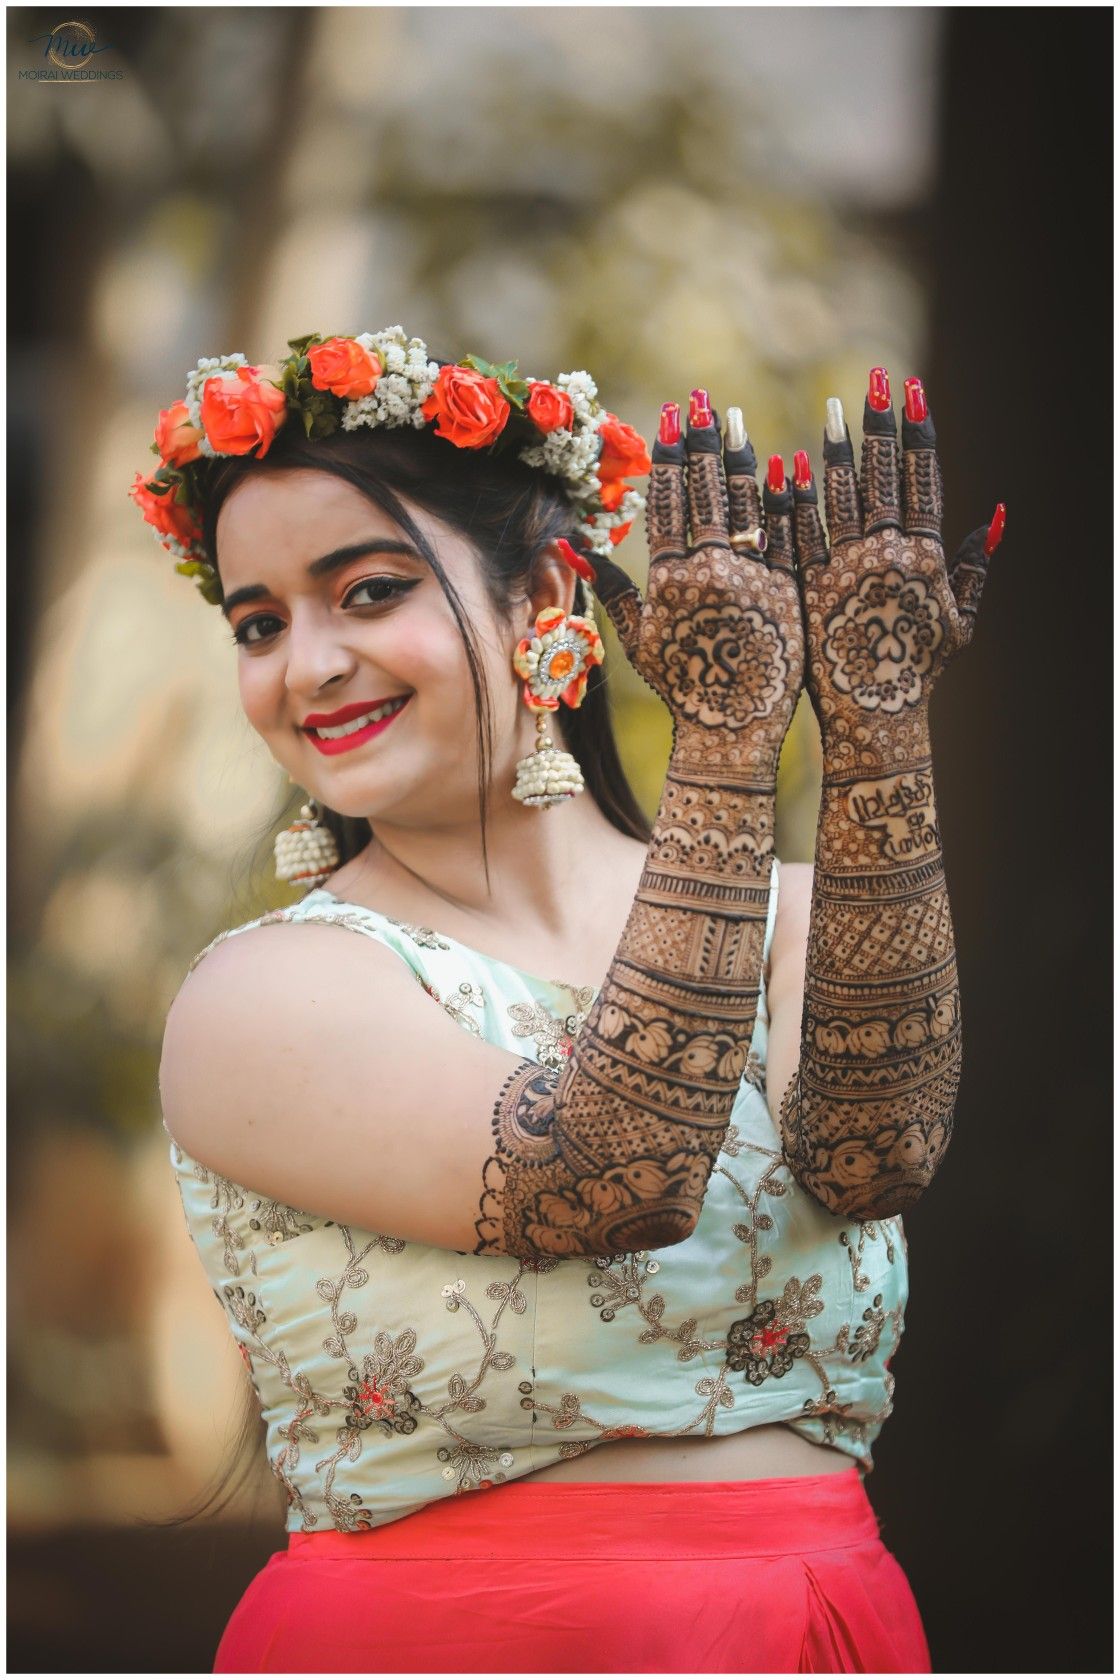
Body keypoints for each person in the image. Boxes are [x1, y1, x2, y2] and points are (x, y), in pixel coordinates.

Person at [137, 326, 1002, 1672]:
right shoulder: (265, 995)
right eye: (260, 622)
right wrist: (723, 744)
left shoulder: (788, 918)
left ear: (543, 592)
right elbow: (606, 1176)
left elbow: (877, 1151)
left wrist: (878, 726)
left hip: (813, 1631)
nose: (304, 666)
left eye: (365, 593)